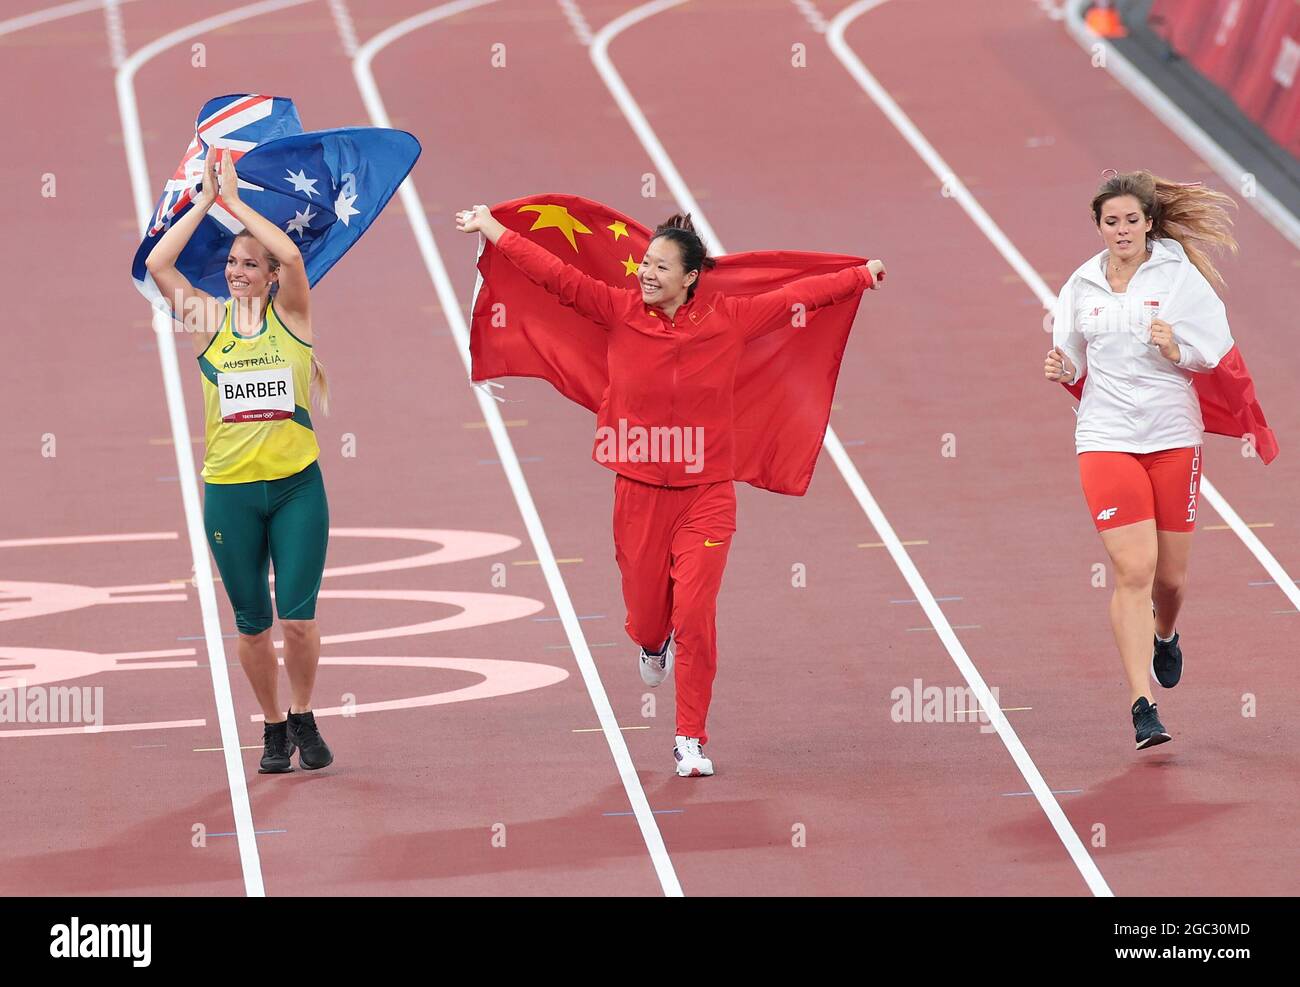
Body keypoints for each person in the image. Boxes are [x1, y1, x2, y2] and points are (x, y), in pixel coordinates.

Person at [457, 203, 884, 776]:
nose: (646, 272)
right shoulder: (617, 308)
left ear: (690, 278)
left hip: (706, 495)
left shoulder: (732, 318)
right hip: (638, 491)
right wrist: (493, 229)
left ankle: (690, 738)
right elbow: (554, 276)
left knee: (698, 614)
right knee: (647, 611)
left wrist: (859, 275)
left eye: (660, 266)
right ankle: (648, 640)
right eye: (644, 263)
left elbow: (797, 299)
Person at [146, 150, 333, 773]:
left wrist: (239, 203)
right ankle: (273, 725)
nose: (235, 272)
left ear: (270, 276)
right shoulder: (207, 321)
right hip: (230, 493)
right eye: (230, 262)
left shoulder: (293, 318)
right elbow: (159, 264)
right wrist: (204, 202)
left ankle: (304, 714)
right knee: (252, 626)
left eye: (248, 264)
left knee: (298, 622)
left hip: (295, 491)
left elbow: (296, 256)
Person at [1045, 169, 1238, 750]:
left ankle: (1166, 633)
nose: (1122, 230)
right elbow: (1072, 356)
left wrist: (1176, 346)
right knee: (1133, 570)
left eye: (1132, 220)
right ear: (1099, 227)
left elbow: (1215, 350)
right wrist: (1064, 369)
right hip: (1105, 437)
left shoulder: (1180, 277)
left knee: (1170, 579)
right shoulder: (1081, 285)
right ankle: (1141, 704)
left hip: (1172, 434)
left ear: (1149, 223)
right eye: (1112, 222)